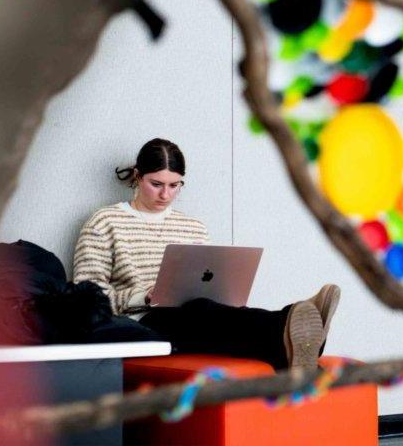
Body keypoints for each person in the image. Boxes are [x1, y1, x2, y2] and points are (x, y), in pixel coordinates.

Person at [73, 138, 340, 370]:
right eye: (156, 184)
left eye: (175, 185)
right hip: (142, 322)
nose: (166, 194)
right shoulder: (104, 221)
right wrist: (143, 295)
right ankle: (294, 324)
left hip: (195, 315)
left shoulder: (193, 227)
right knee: (199, 311)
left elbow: (208, 283)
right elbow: (82, 301)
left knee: (213, 311)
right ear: (137, 175)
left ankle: (295, 343)